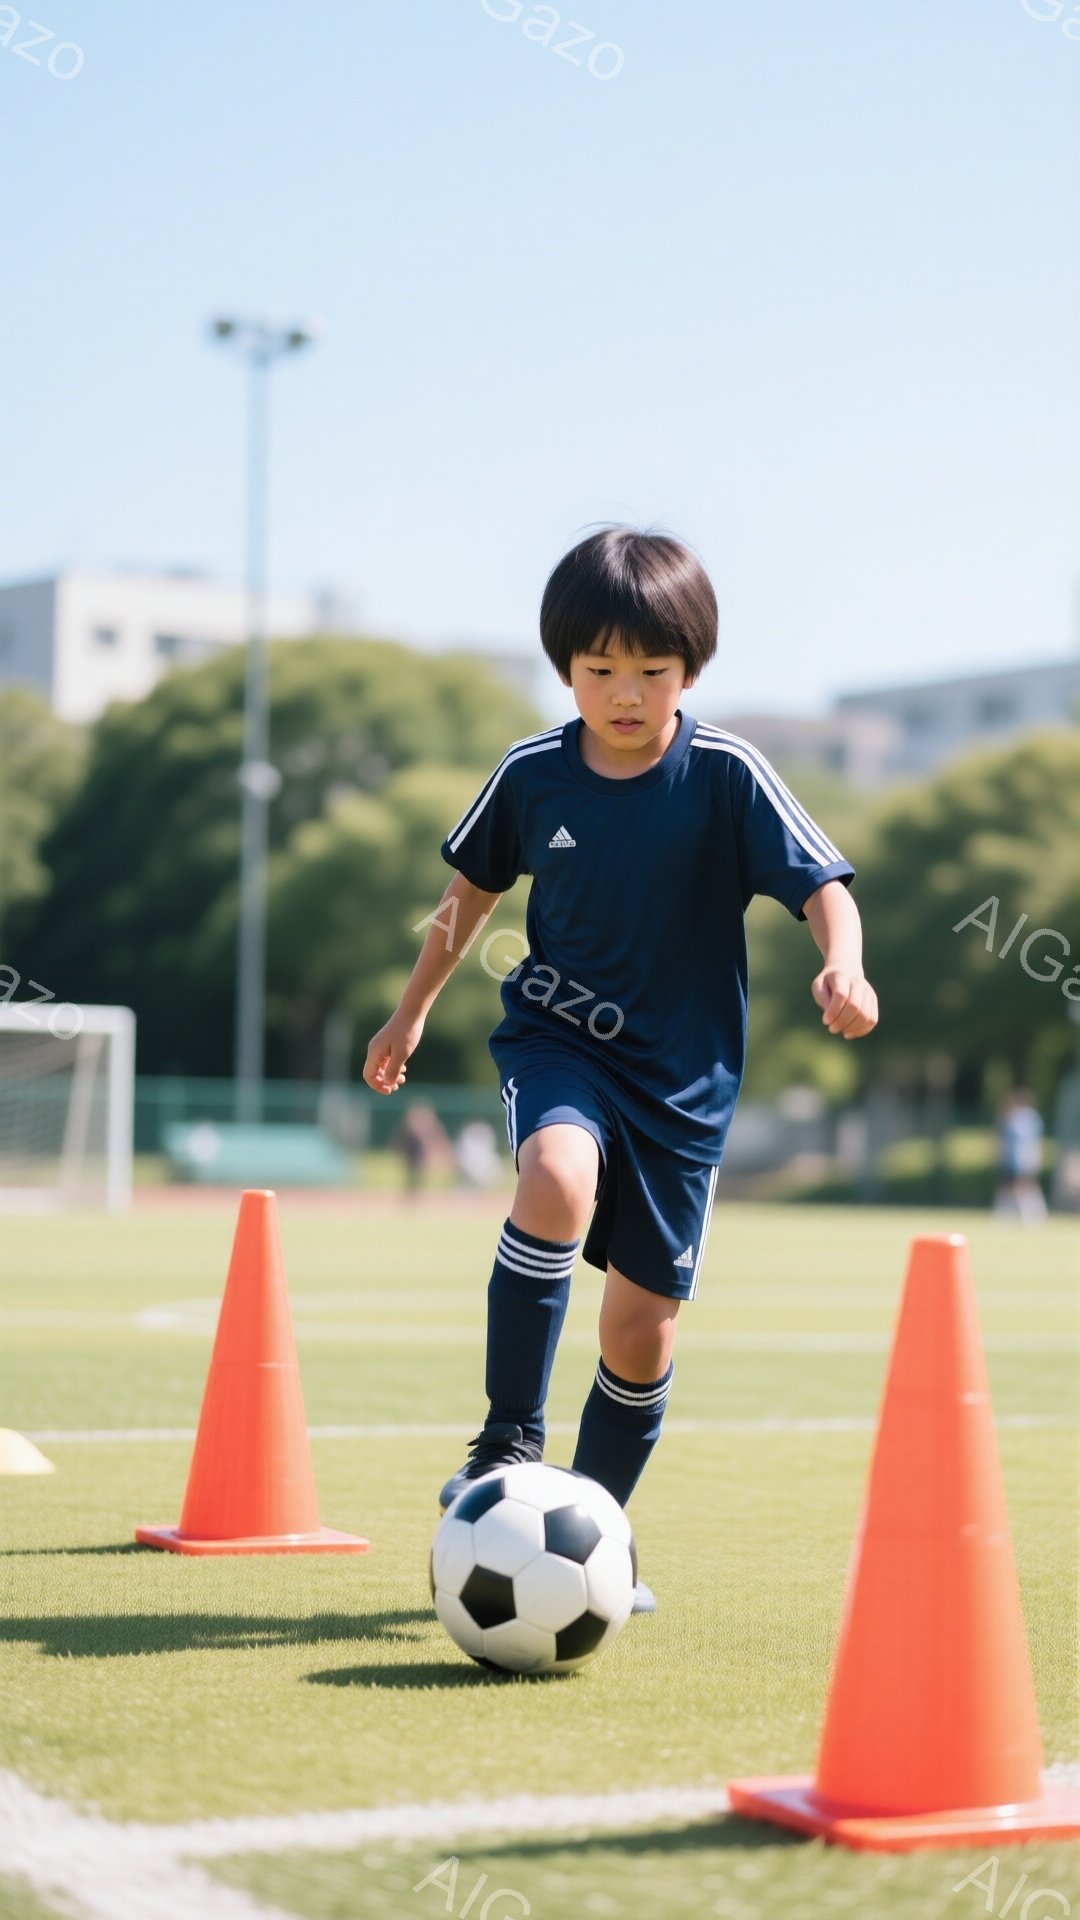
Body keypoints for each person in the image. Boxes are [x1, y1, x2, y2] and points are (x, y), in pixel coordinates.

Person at [363, 527, 879, 1612]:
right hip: (559, 1040)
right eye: (600, 670)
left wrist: (845, 964)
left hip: (683, 1088)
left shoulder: (727, 773)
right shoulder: (532, 774)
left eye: (653, 669)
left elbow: (824, 886)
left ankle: (594, 1535)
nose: (627, 694)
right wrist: (409, 1014)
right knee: (555, 1175)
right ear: (566, 668)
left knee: (640, 1334)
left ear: (692, 669)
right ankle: (508, 1438)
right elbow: (466, 900)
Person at [994, 1088, 1046, 1221]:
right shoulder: (1019, 1116)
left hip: (1023, 1158)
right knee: (1010, 1185)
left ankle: (1031, 1214)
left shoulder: (1026, 1117)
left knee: (1024, 1185)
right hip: (1013, 1158)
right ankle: (1006, 1214)